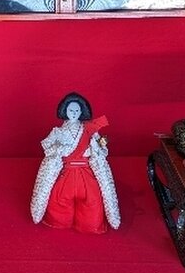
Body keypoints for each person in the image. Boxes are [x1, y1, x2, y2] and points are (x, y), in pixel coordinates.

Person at [30, 92, 120, 233]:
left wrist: (94, 148)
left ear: (81, 111)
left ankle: (90, 223)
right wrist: (60, 149)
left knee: (93, 200)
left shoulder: (90, 130)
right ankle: (60, 221)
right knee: (57, 200)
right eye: (71, 110)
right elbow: (46, 146)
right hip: (65, 172)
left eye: (77, 110)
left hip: (86, 172)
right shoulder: (57, 132)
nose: (74, 113)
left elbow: (101, 149)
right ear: (65, 111)